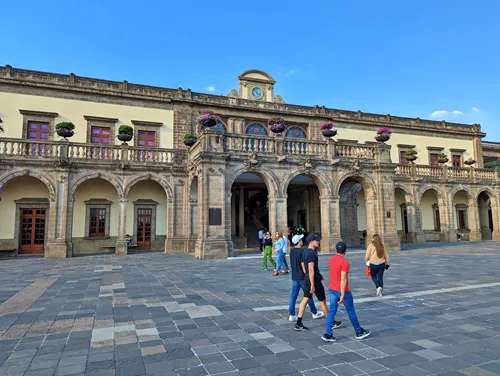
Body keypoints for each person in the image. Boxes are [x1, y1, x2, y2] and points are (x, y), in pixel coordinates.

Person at [322, 242, 370, 342]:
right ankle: (359, 331)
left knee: (332, 311)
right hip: (342, 290)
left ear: (336, 250)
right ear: (345, 251)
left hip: (332, 288)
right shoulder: (345, 263)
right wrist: (343, 295)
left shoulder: (331, 260)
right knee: (351, 311)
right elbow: (343, 280)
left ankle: (328, 334)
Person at [295, 234, 330, 331]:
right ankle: (330, 322)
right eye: (317, 240)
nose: (318, 242)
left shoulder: (305, 251)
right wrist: (313, 284)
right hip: (314, 280)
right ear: (312, 242)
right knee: (322, 300)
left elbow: (303, 264)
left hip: (307, 279)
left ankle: (298, 322)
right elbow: (311, 269)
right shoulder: (311, 253)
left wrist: (306, 274)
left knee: (305, 299)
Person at [288, 234, 326, 321]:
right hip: (302, 277)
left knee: (293, 296)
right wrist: (306, 273)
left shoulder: (292, 251)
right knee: (308, 296)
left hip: (294, 276)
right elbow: (304, 265)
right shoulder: (304, 251)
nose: (302, 241)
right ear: (299, 241)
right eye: (301, 240)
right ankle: (314, 312)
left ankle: (292, 314)